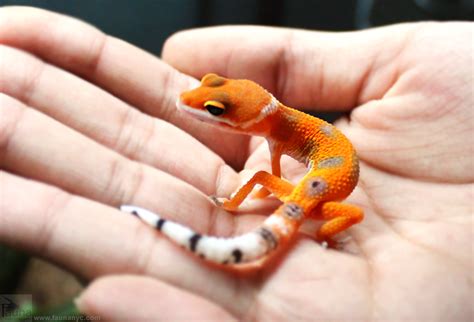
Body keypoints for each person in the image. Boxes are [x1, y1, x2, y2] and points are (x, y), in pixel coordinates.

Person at [0, 6, 472, 321]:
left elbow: (272, 172)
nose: (200, 103)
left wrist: (299, 219)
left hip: (326, 189)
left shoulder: (279, 134)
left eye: (215, 110)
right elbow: (273, 168)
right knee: (273, 182)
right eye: (213, 91)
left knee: (273, 183)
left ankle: (247, 212)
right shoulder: (278, 127)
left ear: (254, 116)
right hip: (325, 178)